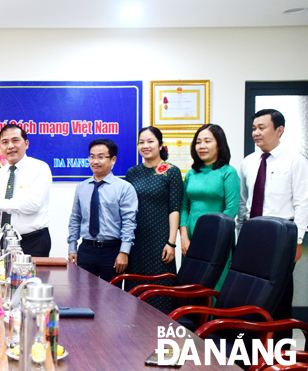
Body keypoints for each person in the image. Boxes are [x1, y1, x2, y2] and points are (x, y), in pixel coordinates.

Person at [237, 109, 308, 344]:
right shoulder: (248, 162)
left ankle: (279, 350)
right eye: (254, 128)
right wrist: (240, 236)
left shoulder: (296, 161)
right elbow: (243, 203)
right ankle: (251, 345)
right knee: (251, 294)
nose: (256, 133)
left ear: (279, 130)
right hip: (253, 235)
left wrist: (298, 240)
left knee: (279, 295)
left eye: (262, 128)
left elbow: (303, 202)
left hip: (282, 237)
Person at [124, 127, 183, 312]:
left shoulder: (171, 172)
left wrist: (171, 243)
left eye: (150, 141)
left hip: (160, 242)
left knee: (159, 292)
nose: (145, 145)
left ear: (160, 144)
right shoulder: (132, 173)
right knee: (134, 296)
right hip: (136, 242)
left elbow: (175, 209)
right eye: (141, 142)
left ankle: (160, 336)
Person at [0, 124, 53, 257]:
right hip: (6, 241)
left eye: (15, 140)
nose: (10, 146)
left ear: (26, 144)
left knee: (32, 278)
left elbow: (33, 205)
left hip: (34, 241)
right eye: (5, 142)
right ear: (0, 147)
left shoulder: (40, 168)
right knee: (5, 277)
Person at [68, 139, 138, 282]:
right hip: (86, 249)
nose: (95, 161)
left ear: (113, 159)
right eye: (92, 156)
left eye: (101, 157)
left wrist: (124, 252)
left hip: (112, 251)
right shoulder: (82, 187)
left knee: (111, 298)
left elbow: (129, 222)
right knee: (82, 295)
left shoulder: (124, 188)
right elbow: (75, 218)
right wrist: (72, 247)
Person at [180, 124, 240, 292]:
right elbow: (184, 207)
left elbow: (231, 210)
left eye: (207, 141)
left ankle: (214, 319)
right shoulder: (192, 173)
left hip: (218, 239)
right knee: (191, 285)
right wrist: (184, 237)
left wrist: (214, 238)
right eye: (198, 142)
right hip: (191, 239)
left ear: (219, 145)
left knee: (214, 286)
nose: (202, 146)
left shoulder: (228, 172)